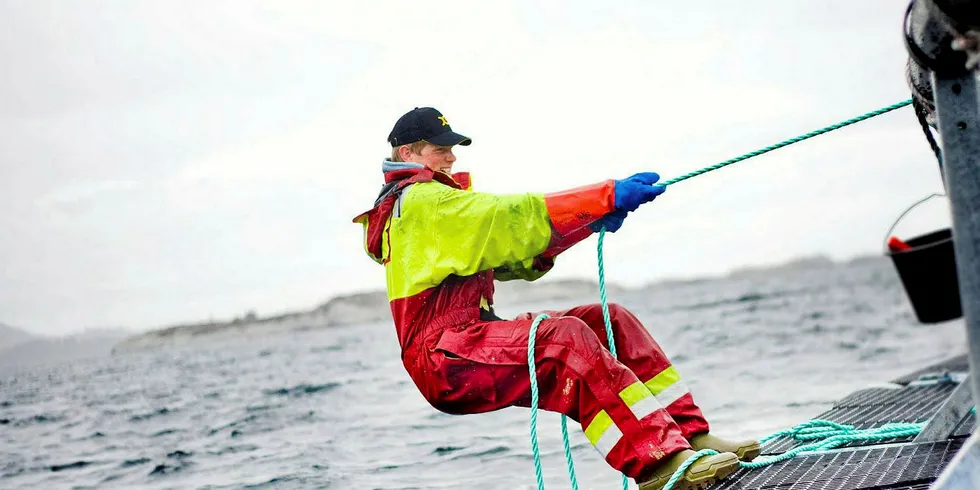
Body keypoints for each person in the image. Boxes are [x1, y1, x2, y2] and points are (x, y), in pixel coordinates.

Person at [353, 107, 760, 490]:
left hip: (469, 339)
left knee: (610, 320)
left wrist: (587, 222)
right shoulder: (422, 202)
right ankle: (658, 464)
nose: (452, 158)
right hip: (443, 359)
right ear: (407, 153)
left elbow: (514, 255)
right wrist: (603, 197)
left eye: (452, 149)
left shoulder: (433, 207)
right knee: (563, 340)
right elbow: (509, 218)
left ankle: (692, 436)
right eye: (441, 150)